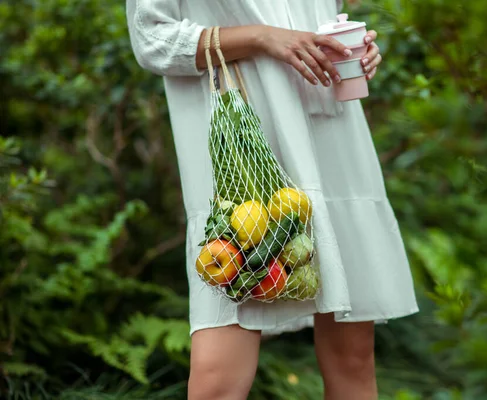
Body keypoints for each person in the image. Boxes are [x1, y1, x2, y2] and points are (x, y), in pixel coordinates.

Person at [126, 1, 419, 399]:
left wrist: (352, 50)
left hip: (332, 134)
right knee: (218, 380)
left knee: (353, 361)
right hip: (244, 146)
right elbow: (152, 39)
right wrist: (262, 37)